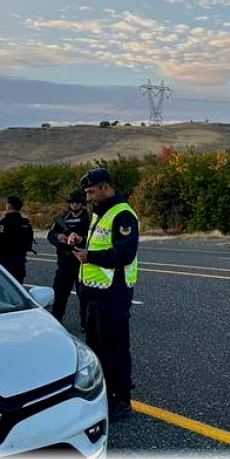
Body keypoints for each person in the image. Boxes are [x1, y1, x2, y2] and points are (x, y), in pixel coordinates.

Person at [74, 167, 139, 419]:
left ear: (104, 187)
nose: (88, 197)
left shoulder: (122, 214)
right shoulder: (99, 213)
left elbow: (124, 254)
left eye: (91, 192)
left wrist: (89, 256)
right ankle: (106, 395)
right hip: (94, 295)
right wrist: (78, 243)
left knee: (115, 350)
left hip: (114, 294)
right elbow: (97, 244)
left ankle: (122, 401)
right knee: (97, 350)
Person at [46, 188, 90, 324]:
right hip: (65, 260)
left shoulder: (89, 219)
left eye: (77, 202)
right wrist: (59, 236)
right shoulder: (62, 218)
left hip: (83, 261)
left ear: (82, 203)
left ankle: (86, 322)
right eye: (72, 202)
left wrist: (81, 239)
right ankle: (56, 321)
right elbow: (50, 235)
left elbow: (96, 238)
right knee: (60, 294)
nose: (74, 205)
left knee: (85, 295)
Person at [0, 195, 35, 284]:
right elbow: (29, 243)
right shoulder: (25, 224)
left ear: (9, 206)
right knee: (17, 289)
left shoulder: (5, 222)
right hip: (19, 262)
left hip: (4, 262)